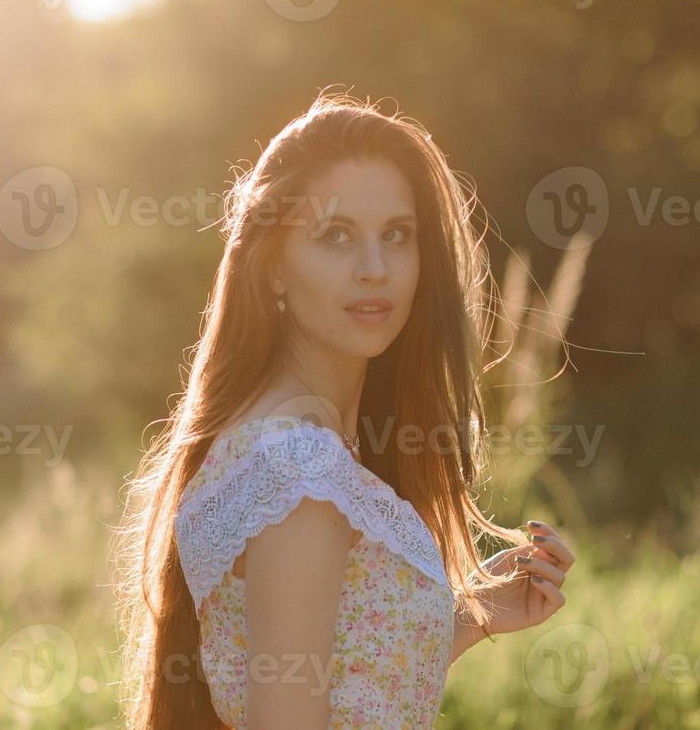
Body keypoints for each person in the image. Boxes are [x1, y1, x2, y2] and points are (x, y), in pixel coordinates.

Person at [115, 91, 576, 728]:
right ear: (273, 265)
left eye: (396, 235)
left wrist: (473, 615)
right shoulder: (298, 473)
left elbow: (349, 686)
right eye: (335, 236)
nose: (374, 268)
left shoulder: (290, 451)